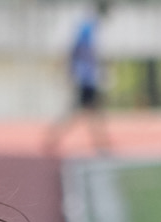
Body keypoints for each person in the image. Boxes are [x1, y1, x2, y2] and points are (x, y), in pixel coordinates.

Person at [45, 0, 112, 156]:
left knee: (88, 110)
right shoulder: (88, 27)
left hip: (87, 76)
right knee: (86, 110)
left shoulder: (92, 26)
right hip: (86, 77)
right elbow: (75, 49)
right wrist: (70, 69)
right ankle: (101, 144)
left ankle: (100, 143)